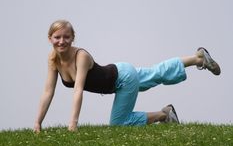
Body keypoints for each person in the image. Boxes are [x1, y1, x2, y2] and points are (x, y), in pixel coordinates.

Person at [33, 20, 221, 132]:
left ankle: (164, 115)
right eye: (57, 37)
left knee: (118, 124)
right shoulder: (53, 61)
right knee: (158, 72)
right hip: (122, 71)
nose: (61, 41)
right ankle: (197, 59)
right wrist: (37, 123)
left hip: (122, 79)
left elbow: (78, 90)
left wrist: (73, 123)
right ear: (50, 38)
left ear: (73, 38)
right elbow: (48, 92)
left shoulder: (80, 56)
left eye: (66, 37)